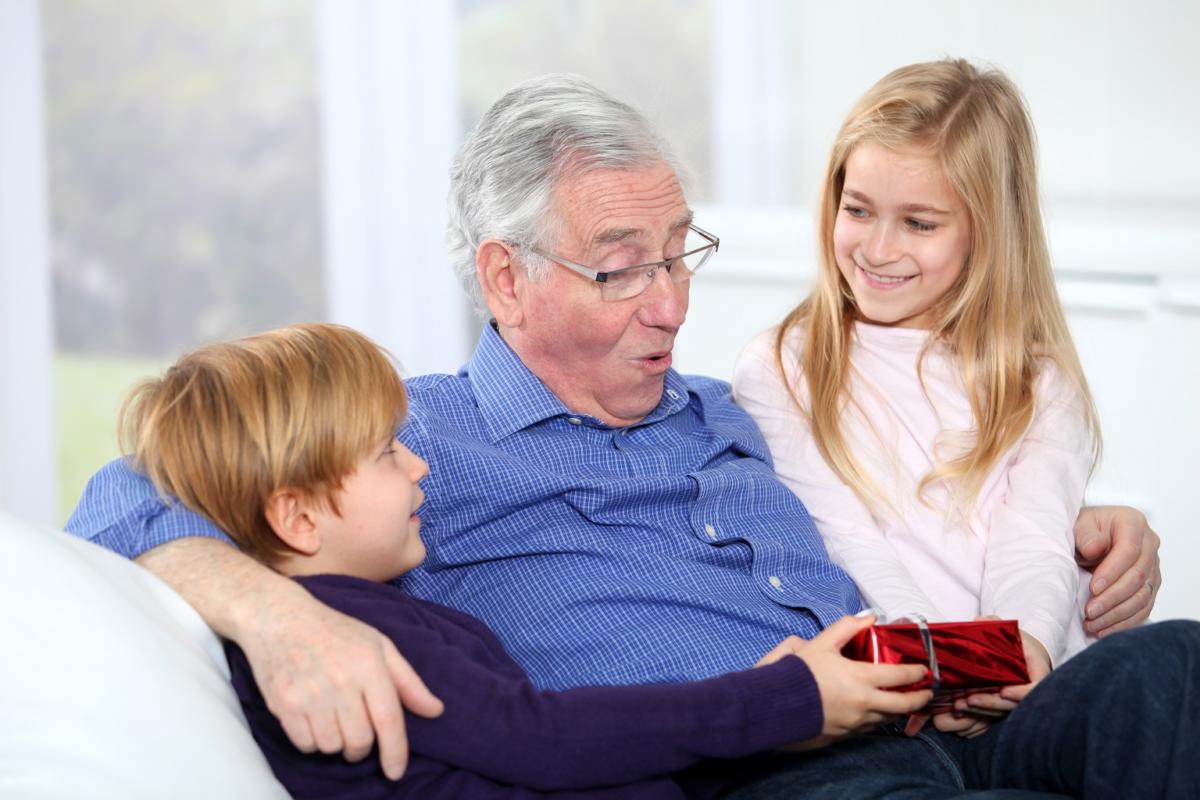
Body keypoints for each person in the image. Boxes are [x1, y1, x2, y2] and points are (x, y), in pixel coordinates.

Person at [67, 74, 1168, 793]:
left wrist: (1081, 522)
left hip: (938, 723)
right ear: (506, 277)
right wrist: (275, 615)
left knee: (1165, 673)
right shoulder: (408, 439)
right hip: (757, 766)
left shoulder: (734, 409)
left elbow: (910, 488)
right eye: (620, 266)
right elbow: (126, 493)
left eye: (680, 251)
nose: (672, 304)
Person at [118, 321, 932, 798]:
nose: (418, 465)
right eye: (385, 453)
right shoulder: (349, 639)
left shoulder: (396, 609)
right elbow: (537, 738)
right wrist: (779, 700)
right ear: (295, 517)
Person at [733, 59, 1100, 737]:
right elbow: (844, 541)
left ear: (989, 231)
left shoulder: (1040, 380)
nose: (876, 248)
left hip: (1031, 691)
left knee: (1176, 658)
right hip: (901, 696)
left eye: (919, 224)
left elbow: (1035, 543)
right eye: (858, 209)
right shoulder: (784, 365)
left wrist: (1026, 658)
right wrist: (936, 665)